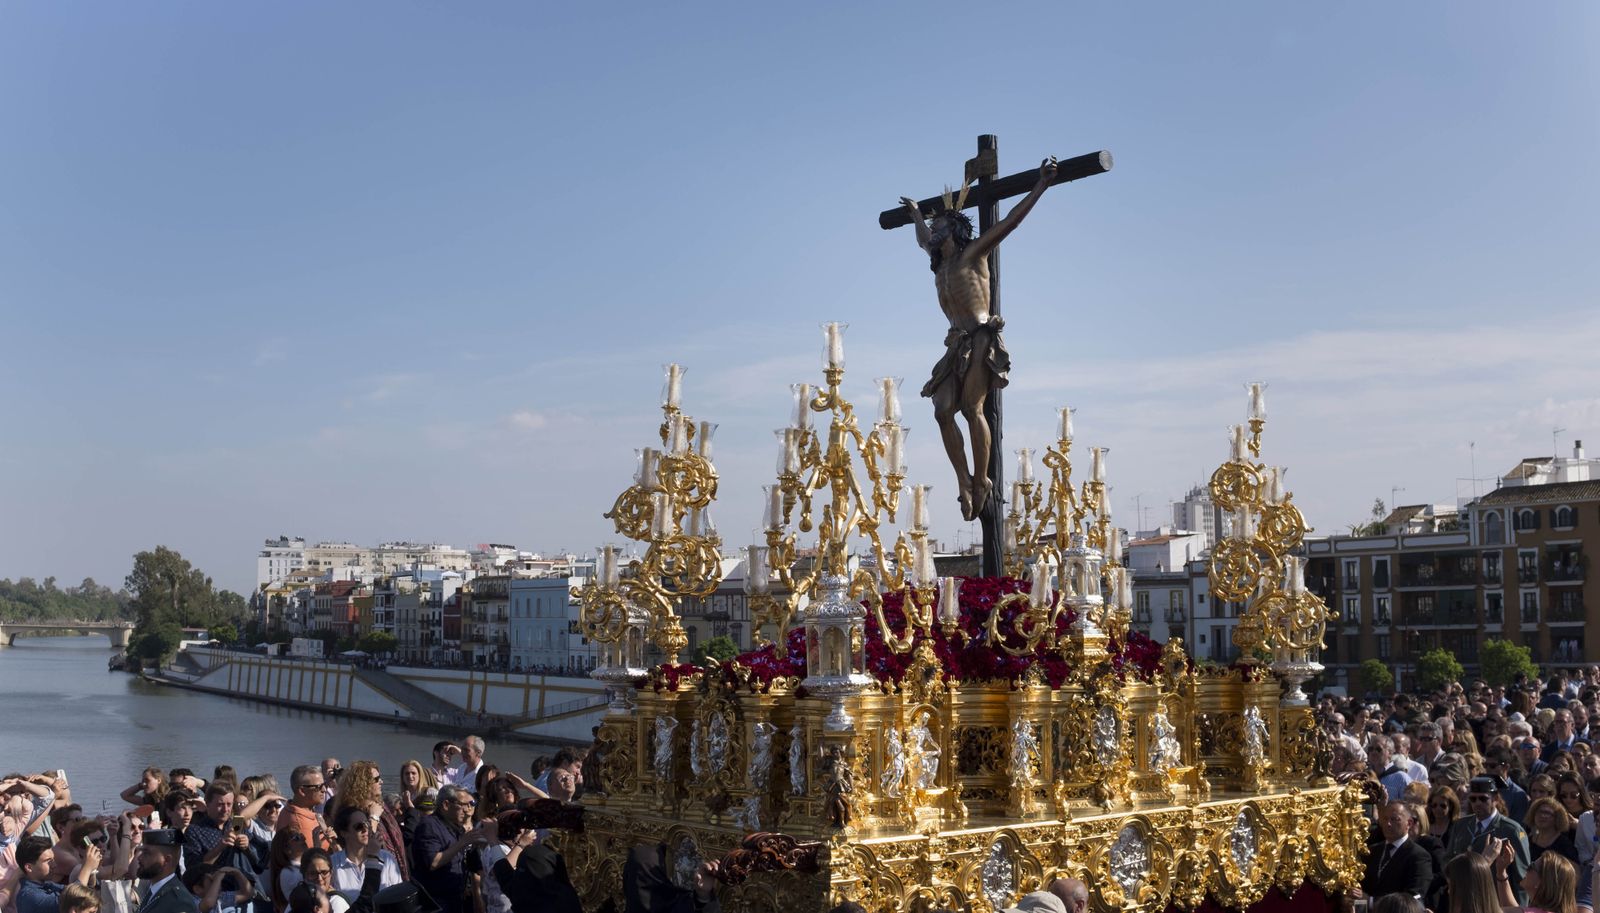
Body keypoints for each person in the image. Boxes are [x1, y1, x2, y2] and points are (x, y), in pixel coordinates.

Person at [897, 156, 1056, 521]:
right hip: (955, 343)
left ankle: (982, 478)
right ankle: (964, 480)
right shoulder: (941, 264)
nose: (932, 233)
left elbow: (1011, 222)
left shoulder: (972, 253)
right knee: (941, 411)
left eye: (938, 226)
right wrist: (918, 216)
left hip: (981, 336)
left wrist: (1041, 185)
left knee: (972, 409)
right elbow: (923, 240)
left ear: (952, 229)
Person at [1447, 777, 1532, 903]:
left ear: (1495, 799)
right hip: (1465, 899)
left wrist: (1520, 909)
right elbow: (1448, 859)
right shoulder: (1461, 825)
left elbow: (1522, 878)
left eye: (1483, 798)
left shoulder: (1511, 830)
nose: (1477, 803)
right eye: (1473, 799)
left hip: (1495, 902)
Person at [408, 786, 491, 913]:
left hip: (455, 898)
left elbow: (470, 864)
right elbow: (433, 862)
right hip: (436, 901)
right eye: (462, 805)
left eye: (470, 805)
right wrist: (463, 842)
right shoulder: (429, 825)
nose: (466, 809)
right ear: (446, 805)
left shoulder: (454, 827)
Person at [324, 764, 406, 883]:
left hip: (389, 869)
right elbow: (360, 844)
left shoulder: (380, 807)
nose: (381, 782)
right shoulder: (351, 812)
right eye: (376, 779)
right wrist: (373, 818)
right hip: (364, 873)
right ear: (363, 784)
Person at [491, 813, 581, 913]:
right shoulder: (568, 897)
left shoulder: (525, 896)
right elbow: (505, 875)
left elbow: (505, 877)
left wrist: (492, 841)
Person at [1361, 802, 1433, 899]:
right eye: (1385, 819)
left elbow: (1413, 898)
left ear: (1409, 823)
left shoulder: (1418, 856)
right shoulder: (1372, 851)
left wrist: (1371, 901)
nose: (1388, 824)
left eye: (1395, 819)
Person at [326, 808, 400, 900]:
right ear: (344, 833)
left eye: (367, 824)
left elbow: (398, 895)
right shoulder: (332, 863)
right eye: (359, 826)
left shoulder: (387, 858)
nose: (365, 829)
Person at [137, 829, 201, 913]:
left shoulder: (179, 902)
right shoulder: (154, 891)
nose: (139, 857)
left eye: (147, 853)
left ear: (167, 860)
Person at [276, 768, 330, 852]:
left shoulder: (291, 808)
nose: (324, 790)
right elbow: (313, 860)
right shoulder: (299, 824)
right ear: (302, 791)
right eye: (319, 787)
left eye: (324, 784)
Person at [1524, 797, 1580, 864]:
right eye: (1539, 812)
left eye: (1547, 813)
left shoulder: (1564, 845)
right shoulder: (1527, 841)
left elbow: (1575, 871)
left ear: (1557, 818)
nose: (1542, 815)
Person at [267, 830, 308, 912]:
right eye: (297, 838)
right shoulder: (289, 872)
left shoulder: (298, 868)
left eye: (301, 835)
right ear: (286, 849)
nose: (303, 838)